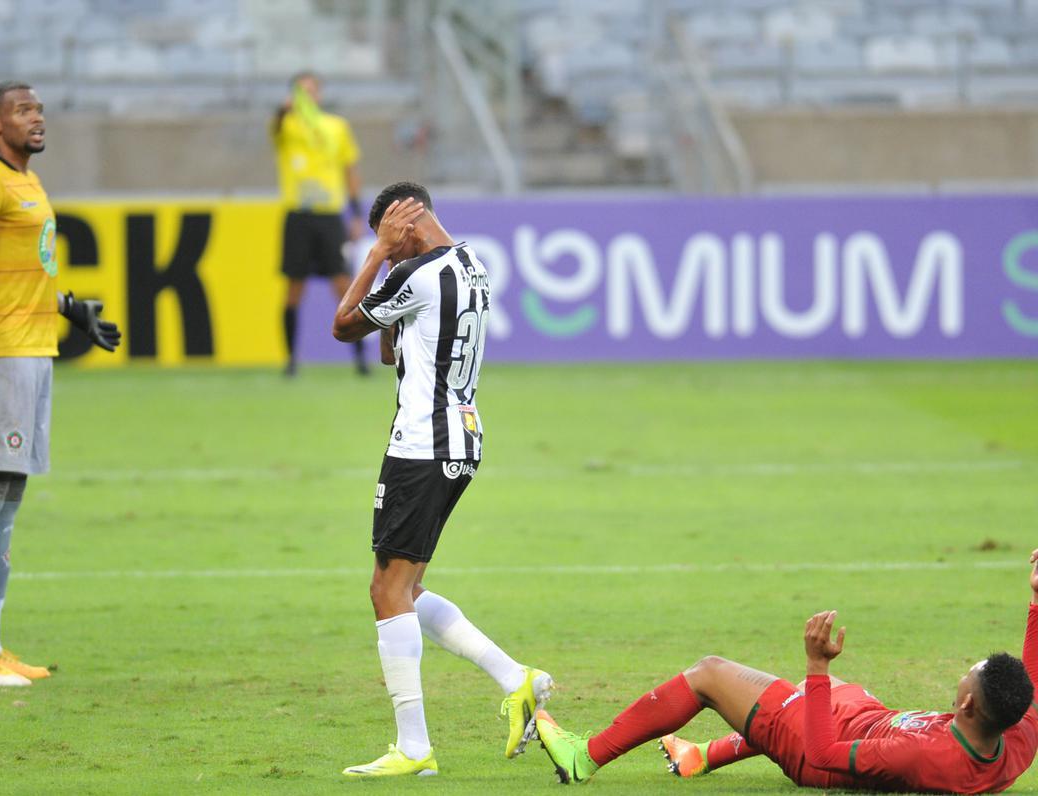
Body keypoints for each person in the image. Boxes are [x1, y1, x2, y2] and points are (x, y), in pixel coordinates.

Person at [332, 182, 552, 777]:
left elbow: (343, 324)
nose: (387, 253)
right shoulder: (471, 265)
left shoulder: (417, 274)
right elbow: (388, 354)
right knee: (406, 591)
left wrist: (377, 257)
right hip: (461, 439)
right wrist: (394, 268)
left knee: (386, 593)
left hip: (421, 444)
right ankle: (516, 678)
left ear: (405, 223)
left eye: (391, 237)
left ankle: (414, 748)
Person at [534, 552, 1038, 792]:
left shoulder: (924, 752)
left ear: (968, 703)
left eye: (966, 677)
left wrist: (817, 665)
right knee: (830, 691)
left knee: (709, 674)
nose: (962, 677)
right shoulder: (1015, 736)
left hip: (814, 750)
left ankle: (584, 757)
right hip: (866, 719)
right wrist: (1036, 601)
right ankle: (700, 756)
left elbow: (823, 755)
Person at [0, 80, 122, 687]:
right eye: (23, 111)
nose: (37, 118)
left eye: (40, 109)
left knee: (9, 494)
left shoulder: (28, 181)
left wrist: (70, 308)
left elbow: (30, 268)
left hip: (34, 347)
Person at [272, 70, 368, 377]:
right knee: (293, 288)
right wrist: (283, 110)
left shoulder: (336, 127)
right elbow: (273, 130)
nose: (308, 97)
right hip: (298, 214)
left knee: (342, 285)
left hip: (329, 214)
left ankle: (360, 357)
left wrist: (355, 212)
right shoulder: (286, 125)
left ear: (320, 94)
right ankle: (290, 359)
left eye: (312, 91)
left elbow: (350, 169)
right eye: (301, 91)